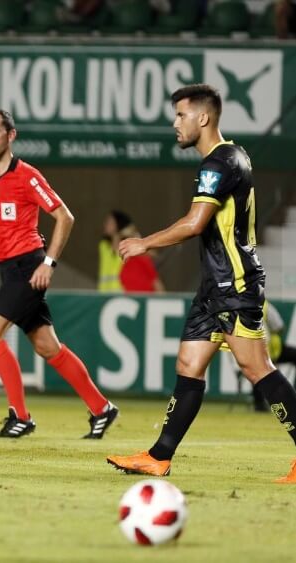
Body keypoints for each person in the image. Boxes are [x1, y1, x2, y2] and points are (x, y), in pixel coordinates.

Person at [107, 84, 296, 483]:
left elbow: (195, 224)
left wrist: (144, 242)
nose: (175, 123)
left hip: (235, 283)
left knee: (256, 366)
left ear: (203, 118)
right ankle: (159, 456)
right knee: (189, 365)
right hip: (214, 286)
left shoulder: (218, 164)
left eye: (181, 115)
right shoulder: (233, 154)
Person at [0, 107, 118, 440]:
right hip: (9, 270)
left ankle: (20, 417)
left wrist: (48, 264)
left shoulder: (28, 176)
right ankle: (101, 408)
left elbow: (65, 217)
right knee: (47, 347)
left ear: (11, 136)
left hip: (28, 266)